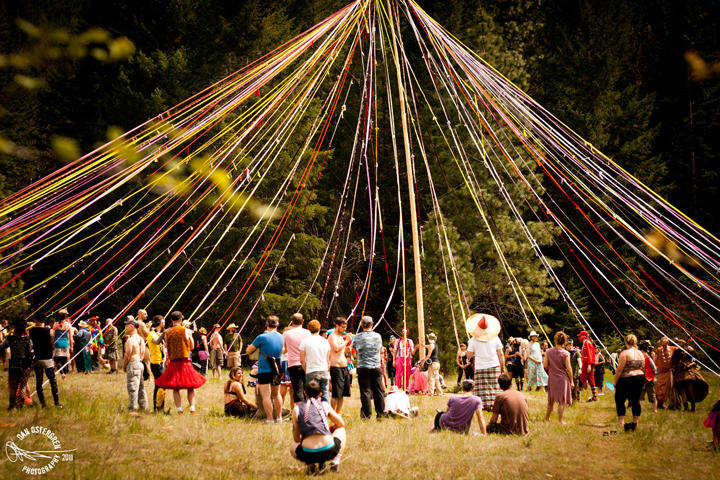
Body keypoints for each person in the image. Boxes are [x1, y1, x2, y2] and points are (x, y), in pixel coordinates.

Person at [153, 311, 206, 414]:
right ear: (181, 319)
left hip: (173, 363)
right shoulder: (187, 331)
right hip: (185, 362)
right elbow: (192, 347)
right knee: (190, 387)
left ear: (171, 320)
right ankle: (192, 409)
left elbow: (156, 342)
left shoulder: (167, 332)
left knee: (175, 388)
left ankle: (179, 410)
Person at [290, 380, 346, 474]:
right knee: (341, 429)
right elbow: (341, 424)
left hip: (307, 453)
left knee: (293, 447)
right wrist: (331, 428)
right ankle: (335, 461)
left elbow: (296, 439)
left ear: (305, 393)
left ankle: (311, 464)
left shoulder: (297, 410)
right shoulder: (324, 405)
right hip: (328, 449)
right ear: (320, 394)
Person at [247, 315, 284, 423]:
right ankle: (279, 417)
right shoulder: (282, 337)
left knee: (266, 395)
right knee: (276, 394)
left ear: (266, 324)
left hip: (264, 369)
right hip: (277, 369)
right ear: (277, 325)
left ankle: (270, 419)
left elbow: (249, 351)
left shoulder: (261, 337)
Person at [465, 314, 504, 411]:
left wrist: (469, 345)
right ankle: (494, 406)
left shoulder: (473, 340)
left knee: (482, 388)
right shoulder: (495, 338)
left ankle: (482, 406)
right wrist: (502, 367)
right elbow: (501, 354)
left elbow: (469, 356)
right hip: (494, 365)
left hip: (480, 367)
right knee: (494, 387)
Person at [353, 316, 385, 419]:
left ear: (361, 325)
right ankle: (380, 414)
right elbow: (380, 349)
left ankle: (366, 415)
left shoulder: (357, 337)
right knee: (378, 391)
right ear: (372, 324)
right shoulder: (377, 336)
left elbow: (354, 349)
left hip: (363, 366)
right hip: (376, 366)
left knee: (365, 391)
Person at [28, 314, 62, 408]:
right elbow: (52, 344)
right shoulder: (50, 331)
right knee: (52, 381)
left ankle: (43, 404)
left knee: (39, 382)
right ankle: (56, 403)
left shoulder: (32, 330)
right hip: (47, 359)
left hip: (38, 358)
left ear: (36, 320)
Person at [613, 334, 645, 432]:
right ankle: (635, 421)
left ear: (626, 342)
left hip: (627, 378)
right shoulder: (640, 353)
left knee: (620, 399)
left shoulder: (624, 353)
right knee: (636, 400)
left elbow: (619, 369)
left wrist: (615, 382)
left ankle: (621, 421)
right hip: (639, 377)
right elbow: (643, 366)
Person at [2, 318, 33, 409]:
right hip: (25, 364)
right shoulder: (27, 339)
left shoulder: (10, 338)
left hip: (14, 364)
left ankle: (11, 406)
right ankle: (20, 406)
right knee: (23, 386)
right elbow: (29, 353)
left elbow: (2, 346)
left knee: (13, 386)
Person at [299, 319, 331, 404]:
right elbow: (328, 359)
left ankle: (312, 412)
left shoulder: (305, 342)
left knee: (311, 395)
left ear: (308, 329)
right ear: (319, 328)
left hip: (311, 370)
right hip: (323, 369)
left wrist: (306, 370)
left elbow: (302, 360)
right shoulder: (325, 341)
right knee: (325, 393)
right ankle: (326, 412)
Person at [544, 331, 573, 423]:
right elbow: (569, 368)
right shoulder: (566, 353)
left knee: (551, 400)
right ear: (565, 341)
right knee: (562, 401)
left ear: (555, 340)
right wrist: (571, 381)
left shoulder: (548, 351)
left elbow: (545, 365)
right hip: (562, 379)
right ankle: (560, 420)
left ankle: (547, 418)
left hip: (552, 378)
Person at [283, 313, 311, 405]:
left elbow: (284, 349)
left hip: (293, 364)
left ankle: (300, 411)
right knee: (307, 388)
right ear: (303, 321)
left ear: (292, 322)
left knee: (297, 389)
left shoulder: (286, 334)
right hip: (306, 363)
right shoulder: (307, 333)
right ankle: (308, 409)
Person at [672, 343, 709, 412]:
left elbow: (695, 360)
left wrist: (691, 364)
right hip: (683, 372)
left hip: (687, 373)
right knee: (688, 390)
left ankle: (689, 407)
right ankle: (690, 408)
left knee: (685, 390)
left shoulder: (689, 350)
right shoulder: (678, 351)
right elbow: (674, 362)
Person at [123, 318, 148, 413]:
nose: (125, 328)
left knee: (132, 387)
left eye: (127, 326)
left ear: (132, 327)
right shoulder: (140, 339)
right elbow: (143, 352)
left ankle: (133, 406)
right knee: (141, 387)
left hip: (133, 363)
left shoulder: (130, 340)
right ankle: (143, 406)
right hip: (140, 363)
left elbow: (127, 354)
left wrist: (125, 365)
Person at [328, 317, 351, 414]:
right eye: (342, 327)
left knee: (343, 392)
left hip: (344, 366)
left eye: (345, 327)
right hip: (336, 367)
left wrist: (348, 348)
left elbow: (342, 351)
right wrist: (346, 341)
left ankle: (338, 410)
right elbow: (336, 349)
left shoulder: (341, 337)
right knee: (336, 392)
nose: (344, 329)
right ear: (336, 325)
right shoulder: (332, 336)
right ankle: (332, 412)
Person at [147, 315, 166, 411]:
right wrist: (164, 333)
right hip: (156, 363)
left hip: (162, 363)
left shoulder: (159, 333)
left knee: (162, 386)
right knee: (159, 385)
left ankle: (160, 406)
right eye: (164, 322)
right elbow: (157, 342)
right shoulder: (151, 334)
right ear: (161, 323)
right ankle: (157, 407)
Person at [52, 310, 73, 379]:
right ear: (66, 316)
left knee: (57, 360)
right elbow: (70, 337)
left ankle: (62, 373)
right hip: (65, 343)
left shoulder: (55, 324)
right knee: (64, 359)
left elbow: (52, 335)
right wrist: (71, 346)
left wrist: (52, 343)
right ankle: (64, 372)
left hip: (57, 343)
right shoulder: (68, 325)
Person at [639, 340, 657, 413]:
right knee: (640, 395)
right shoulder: (641, 358)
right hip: (642, 379)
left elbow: (654, 368)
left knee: (652, 395)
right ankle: (639, 410)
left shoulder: (648, 358)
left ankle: (654, 410)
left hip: (649, 379)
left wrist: (653, 376)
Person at [578, 331, 598, 401]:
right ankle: (594, 396)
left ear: (584, 336)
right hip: (587, 363)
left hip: (587, 364)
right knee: (590, 379)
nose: (579, 337)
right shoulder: (585, 342)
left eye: (580, 336)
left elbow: (590, 354)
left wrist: (589, 365)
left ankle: (577, 395)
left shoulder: (587, 343)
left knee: (581, 378)